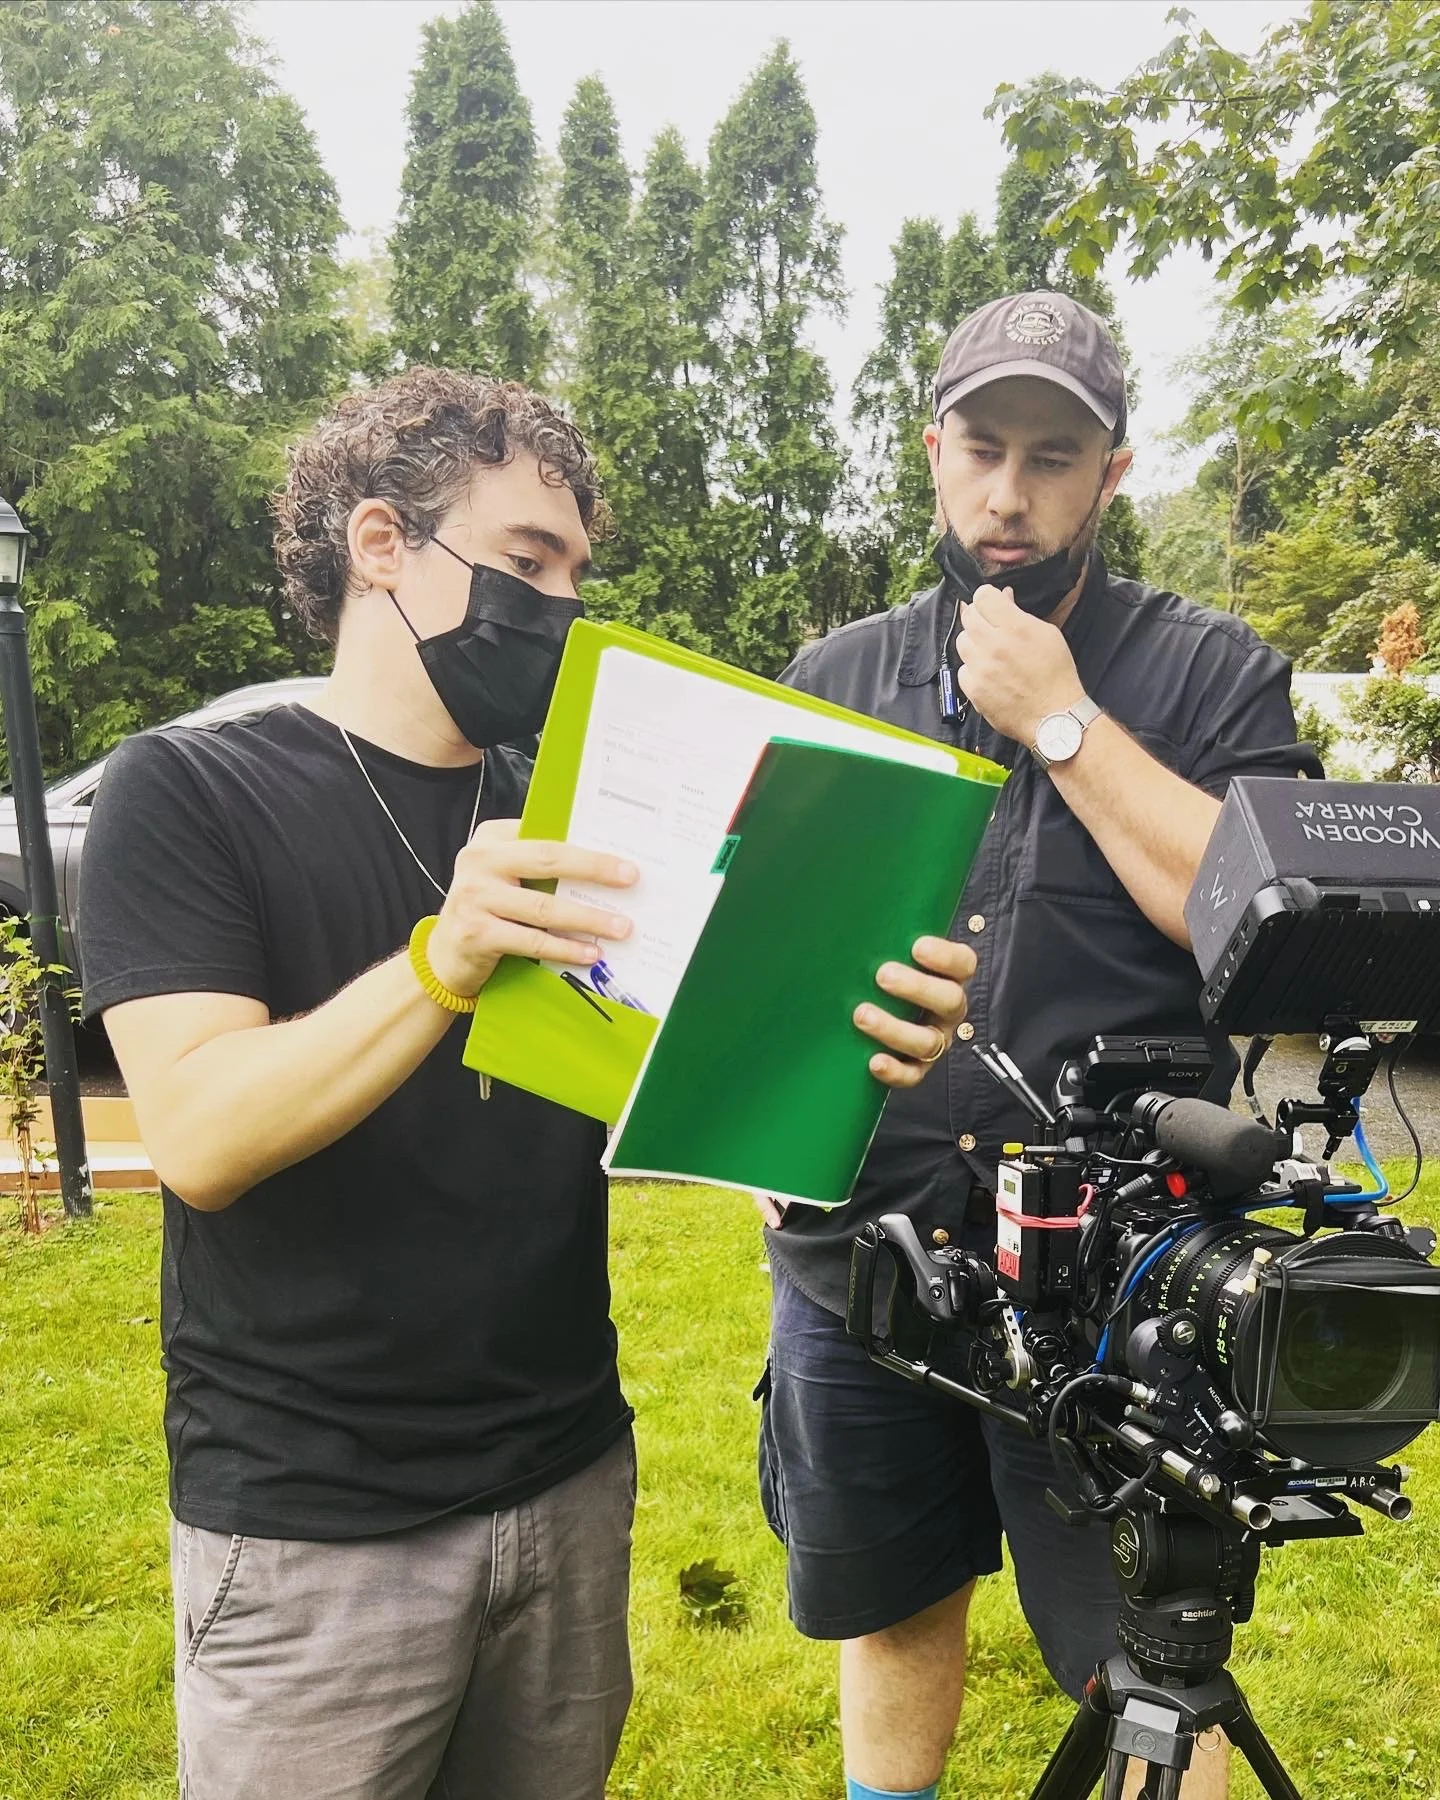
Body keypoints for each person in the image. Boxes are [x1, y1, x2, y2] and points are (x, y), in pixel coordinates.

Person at [77, 366, 977, 1800]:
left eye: (574, 571)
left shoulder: (573, 799)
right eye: (525, 561)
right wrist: (443, 959)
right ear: (381, 544)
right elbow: (197, 1132)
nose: (559, 605)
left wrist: (855, 1036)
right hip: (318, 1521)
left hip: (564, 1482)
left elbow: (666, 1096)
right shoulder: (188, 790)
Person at [755, 292, 1323, 1800]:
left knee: (1151, 1655)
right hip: (858, 1254)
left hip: (1113, 1276)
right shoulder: (834, 676)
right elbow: (763, 955)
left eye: (1053, 459)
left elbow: (1254, 931)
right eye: (984, 450)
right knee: (888, 1614)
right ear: (932, 448)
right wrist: (755, 1128)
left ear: (1113, 475)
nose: (1009, 499)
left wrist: (1063, 722)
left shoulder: (1214, 674)